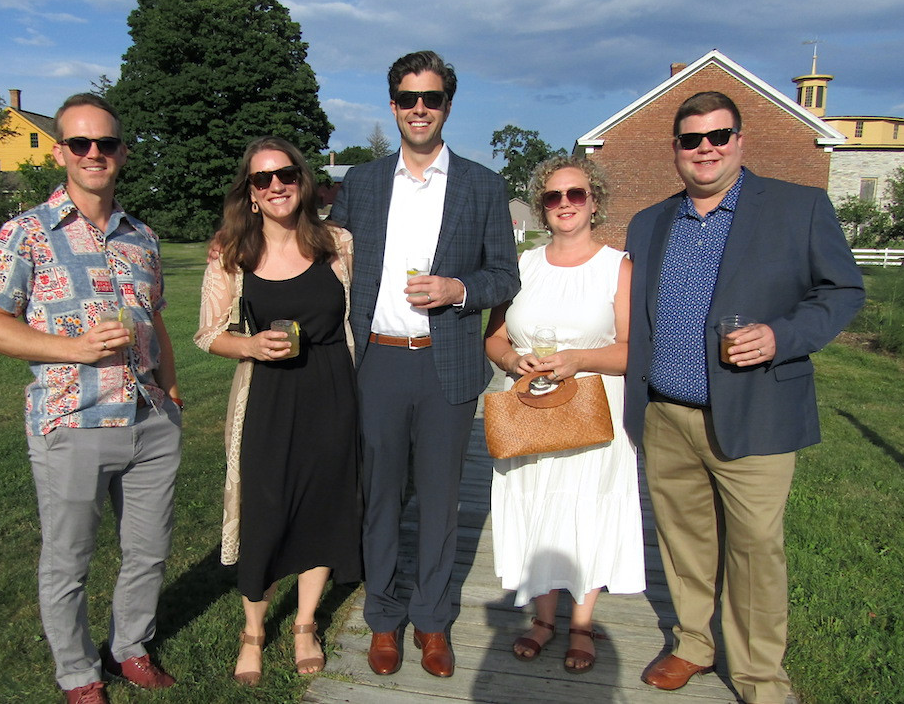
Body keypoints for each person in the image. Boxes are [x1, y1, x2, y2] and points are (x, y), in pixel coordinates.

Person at [624, 91, 865, 704]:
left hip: (755, 412)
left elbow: (842, 292)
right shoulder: (650, 221)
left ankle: (761, 679)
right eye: (691, 140)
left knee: (756, 550)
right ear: (675, 150)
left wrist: (781, 335)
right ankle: (693, 645)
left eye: (719, 136)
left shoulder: (798, 207)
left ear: (740, 141)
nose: (706, 148)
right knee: (683, 543)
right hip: (667, 414)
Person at [0, 93, 182, 704]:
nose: (95, 154)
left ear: (121, 153)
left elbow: (155, 318)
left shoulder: (142, 235)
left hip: (150, 419)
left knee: (148, 549)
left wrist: (169, 388)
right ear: (60, 152)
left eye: (106, 143)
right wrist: (73, 347)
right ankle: (78, 673)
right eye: (81, 143)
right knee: (69, 559)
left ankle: (131, 648)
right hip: (73, 421)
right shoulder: (27, 233)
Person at [327, 50, 521, 678]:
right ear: (393, 105)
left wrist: (458, 290)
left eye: (431, 98)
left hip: (449, 365)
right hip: (377, 362)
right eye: (408, 98)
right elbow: (326, 253)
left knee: (439, 503)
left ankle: (432, 621)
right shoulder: (361, 182)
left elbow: (504, 275)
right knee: (379, 496)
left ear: (447, 106)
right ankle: (384, 619)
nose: (419, 108)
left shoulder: (483, 185)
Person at [194, 136, 361, 686]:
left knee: (321, 507)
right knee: (264, 509)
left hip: (332, 394)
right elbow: (208, 334)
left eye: (285, 175)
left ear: (302, 180)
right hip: (268, 395)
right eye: (261, 180)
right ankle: (253, 630)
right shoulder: (230, 251)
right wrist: (248, 345)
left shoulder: (337, 243)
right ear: (249, 192)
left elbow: (355, 318)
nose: (275, 187)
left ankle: (306, 624)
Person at [484, 155, 645, 674]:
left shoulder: (618, 266)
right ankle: (543, 619)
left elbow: (631, 350)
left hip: (594, 410)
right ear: (542, 207)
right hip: (531, 407)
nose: (565, 205)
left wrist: (579, 359)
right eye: (554, 197)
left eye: (576, 194)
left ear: (593, 202)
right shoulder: (522, 266)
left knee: (589, 508)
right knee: (537, 506)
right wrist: (512, 360)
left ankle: (581, 623)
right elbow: (495, 338)